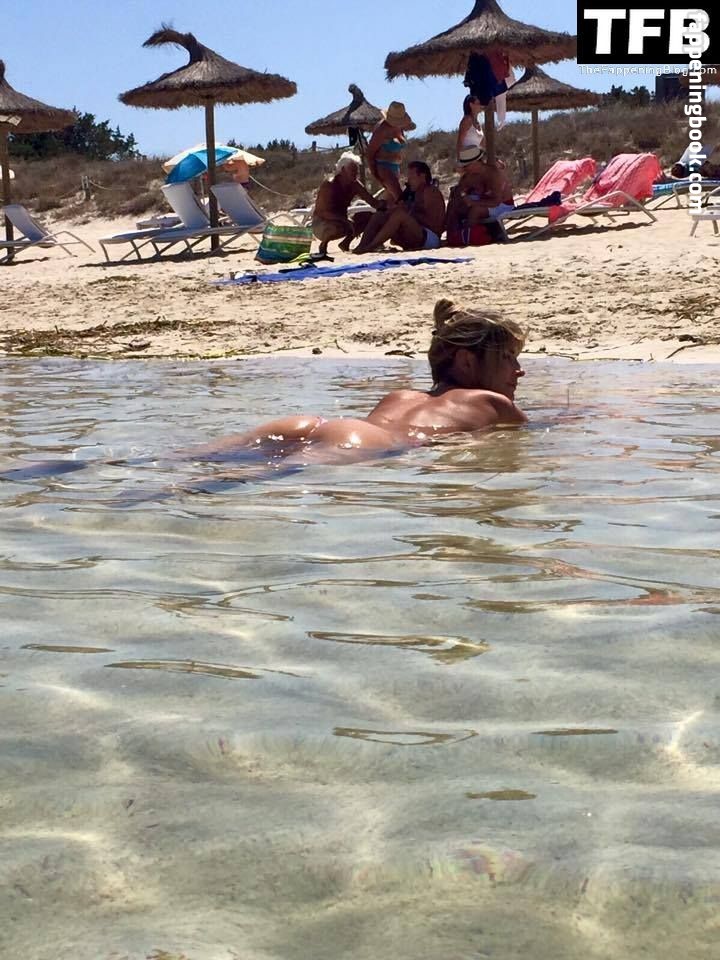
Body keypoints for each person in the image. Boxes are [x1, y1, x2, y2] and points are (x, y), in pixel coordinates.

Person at [184, 299, 526, 469]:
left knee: (195, 462)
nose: (519, 370)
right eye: (509, 358)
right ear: (466, 360)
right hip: (367, 440)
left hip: (313, 423)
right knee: (249, 479)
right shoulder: (493, 402)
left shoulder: (403, 395)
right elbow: (533, 432)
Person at [353, 161, 446, 255]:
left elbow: (433, 222)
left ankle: (371, 246)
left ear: (422, 176)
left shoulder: (430, 191)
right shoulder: (415, 193)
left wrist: (408, 213)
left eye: (411, 178)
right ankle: (362, 245)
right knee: (380, 215)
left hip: (430, 237)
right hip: (416, 234)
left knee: (399, 215)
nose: (409, 181)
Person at [312, 152, 382, 256]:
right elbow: (323, 213)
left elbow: (372, 201)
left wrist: (386, 204)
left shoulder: (355, 185)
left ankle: (346, 243)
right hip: (322, 222)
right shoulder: (329, 185)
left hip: (342, 220)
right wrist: (345, 220)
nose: (355, 173)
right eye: (352, 170)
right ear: (343, 170)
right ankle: (324, 244)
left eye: (356, 170)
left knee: (368, 217)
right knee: (335, 228)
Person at [446, 147, 514, 235]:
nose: (465, 169)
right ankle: (452, 234)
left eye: (466, 166)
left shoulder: (493, 174)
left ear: (475, 163)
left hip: (503, 205)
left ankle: (467, 234)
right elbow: (460, 190)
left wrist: (472, 202)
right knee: (453, 205)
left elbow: (496, 202)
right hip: (484, 201)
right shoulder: (470, 176)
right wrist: (462, 195)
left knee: (476, 210)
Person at [366, 101, 416, 204]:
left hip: (395, 167)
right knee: (401, 198)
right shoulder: (381, 130)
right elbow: (370, 153)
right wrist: (376, 175)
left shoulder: (399, 128)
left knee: (392, 202)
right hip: (384, 167)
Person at [456, 94, 485, 163]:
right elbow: (459, 142)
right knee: (481, 151)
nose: (480, 105)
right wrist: (459, 161)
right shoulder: (467, 120)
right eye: (478, 103)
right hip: (466, 155)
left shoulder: (478, 123)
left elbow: (483, 144)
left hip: (477, 154)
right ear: (471, 105)